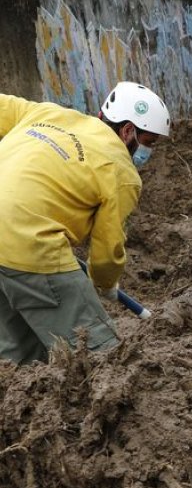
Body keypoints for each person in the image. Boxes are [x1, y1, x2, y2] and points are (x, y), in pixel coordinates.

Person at [0, 82, 170, 365]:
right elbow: (107, 250)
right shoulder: (121, 171)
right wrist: (104, 284)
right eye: (149, 142)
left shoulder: (48, 114)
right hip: (33, 246)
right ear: (128, 131)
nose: (148, 152)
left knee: (17, 356)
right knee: (98, 355)